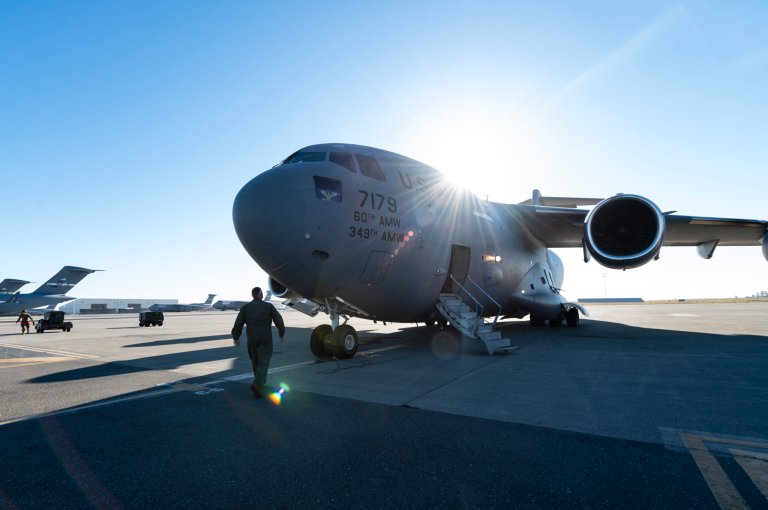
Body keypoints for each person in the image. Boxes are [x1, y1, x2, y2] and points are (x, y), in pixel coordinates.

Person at [231, 287, 285, 398]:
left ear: (252, 295)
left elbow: (238, 323)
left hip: (252, 340)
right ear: (261, 295)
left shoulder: (245, 308)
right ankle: (257, 384)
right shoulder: (268, 306)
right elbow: (278, 319)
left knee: (255, 362)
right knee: (263, 363)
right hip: (265, 339)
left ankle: (259, 384)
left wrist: (236, 337)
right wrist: (281, 332)